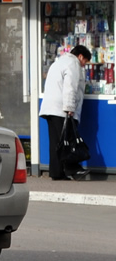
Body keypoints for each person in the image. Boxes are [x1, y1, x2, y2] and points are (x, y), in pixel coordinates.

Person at [39, 45, 91, 180]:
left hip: (50, 108)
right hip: (61, 109)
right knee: (68, 140)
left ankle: (56, 172)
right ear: (80, 56)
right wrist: (69, 108)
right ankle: (73, 169)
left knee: (57, 142)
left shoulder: (58, 62)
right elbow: (70, 86)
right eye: (85, 61)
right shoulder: (73, 63)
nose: (84, 65)